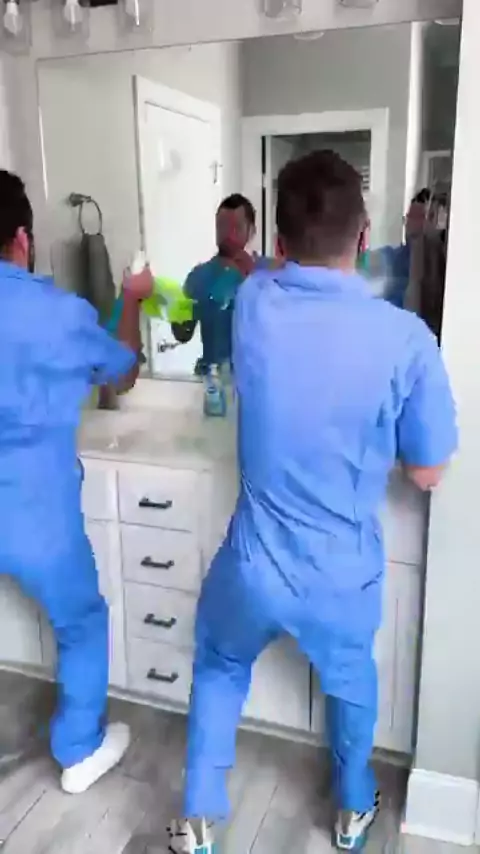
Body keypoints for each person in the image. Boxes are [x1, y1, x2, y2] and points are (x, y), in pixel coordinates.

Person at [168, 151, 457, 853]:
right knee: (350, 684)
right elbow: (428, 473)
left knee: (219, 663)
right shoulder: (406, 338)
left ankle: (198, 818)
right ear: (365, 236)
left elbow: (269, 273)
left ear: (277, 240)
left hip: (252, 565)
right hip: (339, 572)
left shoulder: (253, 303)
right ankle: (354, 808)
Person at [0, 170, 143, 794]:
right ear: (22, 239)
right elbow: (124, 372)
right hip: (34, 510)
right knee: (82, 621)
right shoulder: (59, 314)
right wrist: (132, 297)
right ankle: (79, 748)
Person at [171, 193, 279, 374]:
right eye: (222, 226)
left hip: (258, 380)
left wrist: (252, 277)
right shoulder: (199, 276)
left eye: (237, 228)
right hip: (212, 381)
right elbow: (182, 334)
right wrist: (172, 304)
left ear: (252, 231)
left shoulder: (270, 272)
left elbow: (284, 330)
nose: (228, 235)